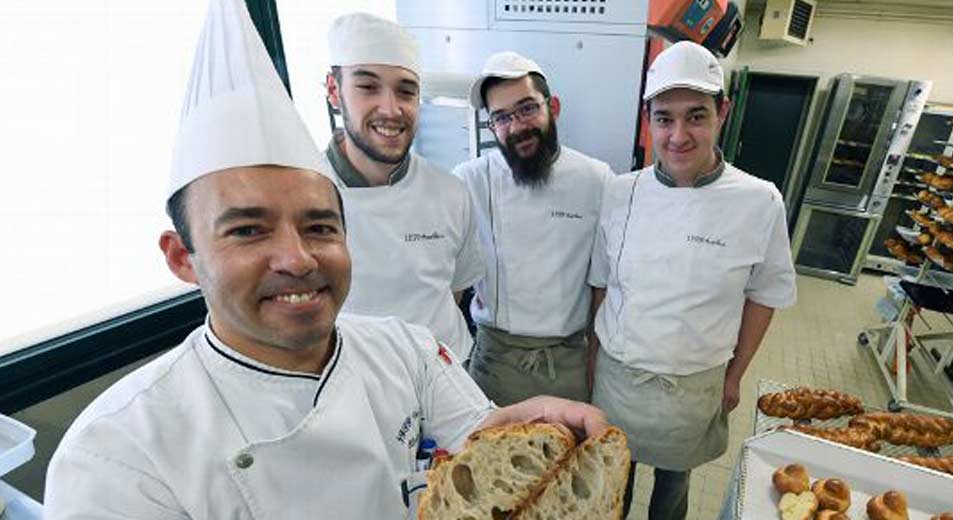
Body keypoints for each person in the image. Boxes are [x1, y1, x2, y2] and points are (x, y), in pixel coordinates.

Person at [43, 2, 606, 518]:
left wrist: (522, 425)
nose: (296, 257)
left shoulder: (403, 348)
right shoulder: (116, 455)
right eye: (247, 230)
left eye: (318, 227)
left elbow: (479, 428)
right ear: (182, 258)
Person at [587, 41, 797, 519]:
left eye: (696, 116)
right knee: (610, 481)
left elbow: (765, 296)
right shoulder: (621, 193)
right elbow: (601, 284)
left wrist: (736, 374)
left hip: (693, 385)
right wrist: (592, 360)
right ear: (649, 121)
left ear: (723, 112)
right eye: (664, 118)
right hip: (620, 378)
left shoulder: (758, 201)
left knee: (673, 487)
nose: (678, 135)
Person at [453, 52, 613, 406]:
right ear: (491, 126)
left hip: (570, 361)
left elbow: (605, 282)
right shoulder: (469, 181)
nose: (517, 125)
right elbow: (451, 280)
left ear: (552, 106)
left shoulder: (597, 179)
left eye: (527, 109)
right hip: (497, 361)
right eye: (502, 117)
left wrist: (595, 361)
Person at [322, 13, 482, 360]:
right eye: (368, 87)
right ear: (334, 91)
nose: (391, 109)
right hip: (355, 390)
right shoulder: (302, 196)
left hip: (449, 380)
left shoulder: (450, 192)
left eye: (406, 91)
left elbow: (454, 291)